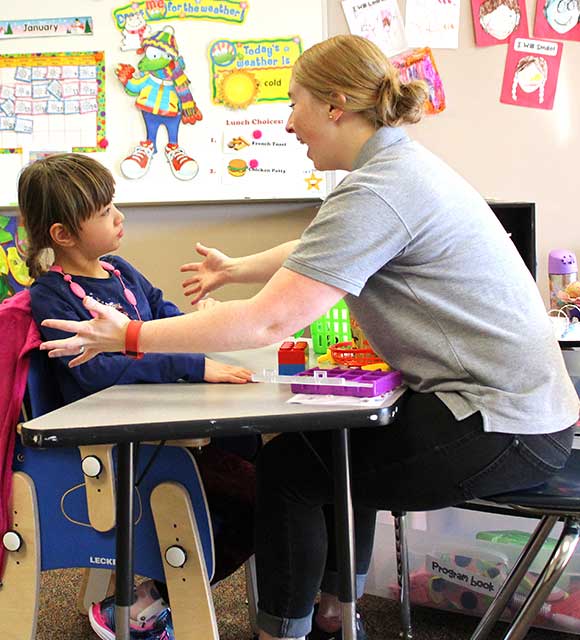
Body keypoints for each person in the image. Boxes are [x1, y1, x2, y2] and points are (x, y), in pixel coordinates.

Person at [39, 35, 579, 640]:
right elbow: (318, 250)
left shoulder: (378, 189)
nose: (289, 122)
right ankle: (333, 613)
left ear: (336, 105)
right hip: (518, 412)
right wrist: (235, 268)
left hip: (502, 422)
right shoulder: (395, 170)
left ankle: (285, 629)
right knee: (337, 444)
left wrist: (130, 335)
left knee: (294, 469)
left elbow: (270, 321)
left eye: (294, 104)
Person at [18, 153, 257, 640]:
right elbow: (100, 373)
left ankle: (165, 589)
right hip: (118, 451)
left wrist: (199, 324)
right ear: (63, 234)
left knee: (259, 454)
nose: (119, 217)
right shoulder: (53, 296)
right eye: (106, 211)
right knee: (258, 496)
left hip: (160, 428)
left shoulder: (121, 271)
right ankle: (150, 600)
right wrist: (194, 364)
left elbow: (163, 324)